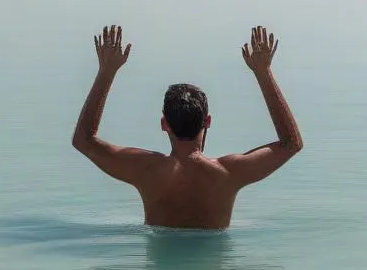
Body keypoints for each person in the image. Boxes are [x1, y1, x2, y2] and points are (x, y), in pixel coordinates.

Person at [72, 25, 303, 229]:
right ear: (208, 121)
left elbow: (83, 140)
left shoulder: (145, 170)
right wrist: (263, 72)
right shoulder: (229, 173)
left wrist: (106, 71)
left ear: (164, 124)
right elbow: (291, 144)